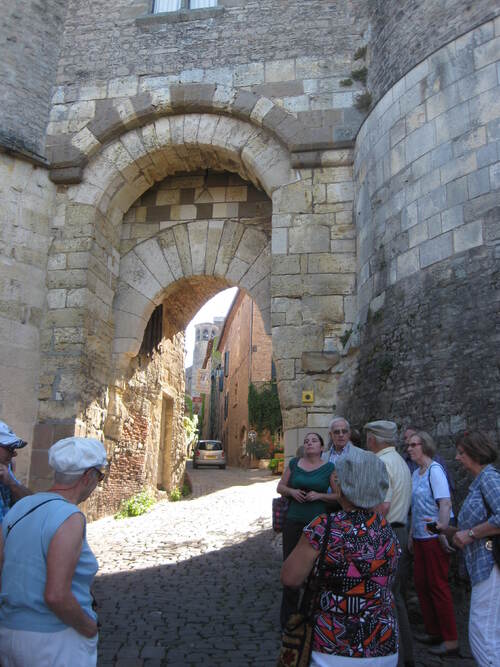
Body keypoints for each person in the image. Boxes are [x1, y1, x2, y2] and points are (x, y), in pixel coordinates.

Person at [281, 446, 399, 666]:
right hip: (383, 643)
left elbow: (290, 578)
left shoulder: (325, 527)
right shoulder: (386, 529)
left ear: (343, 488)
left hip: (333, 644)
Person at [0, 436, 108, 667]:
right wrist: (88, 626)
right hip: (54, 639)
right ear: (88, 476)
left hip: (9, 632)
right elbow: (56, 595)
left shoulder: (19, 508)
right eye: (100, 476)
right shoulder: (70, 516)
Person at [436, 431, 500, 667]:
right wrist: (447, 530)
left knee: (482, 635)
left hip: (490, 565)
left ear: (475, 453)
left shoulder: (490, 479)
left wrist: (471, 534)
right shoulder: (480, 482)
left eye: (462, 453)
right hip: (480, 566)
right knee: (487, 633)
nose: (458, 458)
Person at [365, 420, 414, 667]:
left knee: (388, 599)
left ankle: (397, 658)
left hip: (387, 533)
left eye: (367, 437)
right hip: (401, 530)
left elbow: (382, 506)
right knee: (397, 597)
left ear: (373, 439)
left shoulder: (382, 463)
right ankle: (407, 656)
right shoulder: (399, 461)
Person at [277, 432, 337, 629]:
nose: (309, 443)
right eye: (306, 441)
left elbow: (338, 496)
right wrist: (292, 491)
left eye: (314, 441)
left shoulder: (329, 468)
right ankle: (287, 618)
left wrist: (319, 496)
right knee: (290, 565)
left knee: (316, 569)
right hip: (294, 521)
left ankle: (308, 615)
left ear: (321, 447)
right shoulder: (295, 464)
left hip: (317, 524)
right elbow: (280, 487)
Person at [407, 430, 458, 656]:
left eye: (413, 445)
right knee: (422, 584)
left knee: (438, 586)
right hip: (419, 535)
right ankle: (433, 630)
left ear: (424, 446)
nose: (408, 449)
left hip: (433, 534)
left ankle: (450, 639)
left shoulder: (434, 472)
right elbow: (415, 508)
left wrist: (441, 531)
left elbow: (444, 503)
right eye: (408, 445)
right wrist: (411, 535)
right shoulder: (417, 473)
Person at [0, 420, 32, 520]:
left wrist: (12, 483)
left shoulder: (6, 467)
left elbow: (31, 504)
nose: (14, 454)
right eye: (10, 448)